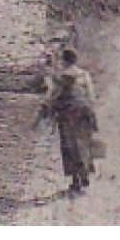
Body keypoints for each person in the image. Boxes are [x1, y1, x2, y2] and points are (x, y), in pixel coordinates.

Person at [37, 48, 98, 198]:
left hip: (68, 116)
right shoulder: (84, 75)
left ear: (64, 60)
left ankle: (76, 180)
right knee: (84, 143)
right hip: (84, 114)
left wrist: (44, 111)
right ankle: (85, 175)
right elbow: (91, 96)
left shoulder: (62, 77)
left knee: (70, 147)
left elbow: (53, 95)